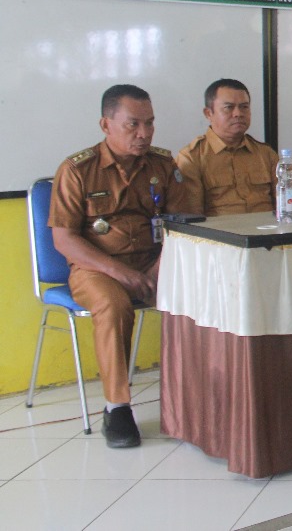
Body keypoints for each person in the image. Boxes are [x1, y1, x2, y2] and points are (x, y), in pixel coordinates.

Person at [48, 84, 192, 448]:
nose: (144, 134)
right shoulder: (77, 169)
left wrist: (161, 267)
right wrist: (120, 271)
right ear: (105, 124)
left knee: (204, 291)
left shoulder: (163, 164)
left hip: (154, 263)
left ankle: (201, 395)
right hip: (95, 269)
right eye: (133, 125)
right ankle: (118, 408)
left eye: (150, 124)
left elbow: (181, 225)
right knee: (113, 305)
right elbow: (64, 240)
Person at [176, 79, 278, 216]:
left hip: (268, 234)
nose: (238, 114)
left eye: (244, 107)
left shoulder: (266, 154)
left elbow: (286, 208)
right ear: (208, 114)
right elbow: (193, 219)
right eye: (229, 107)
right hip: (219, 235)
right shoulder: (191, 157)